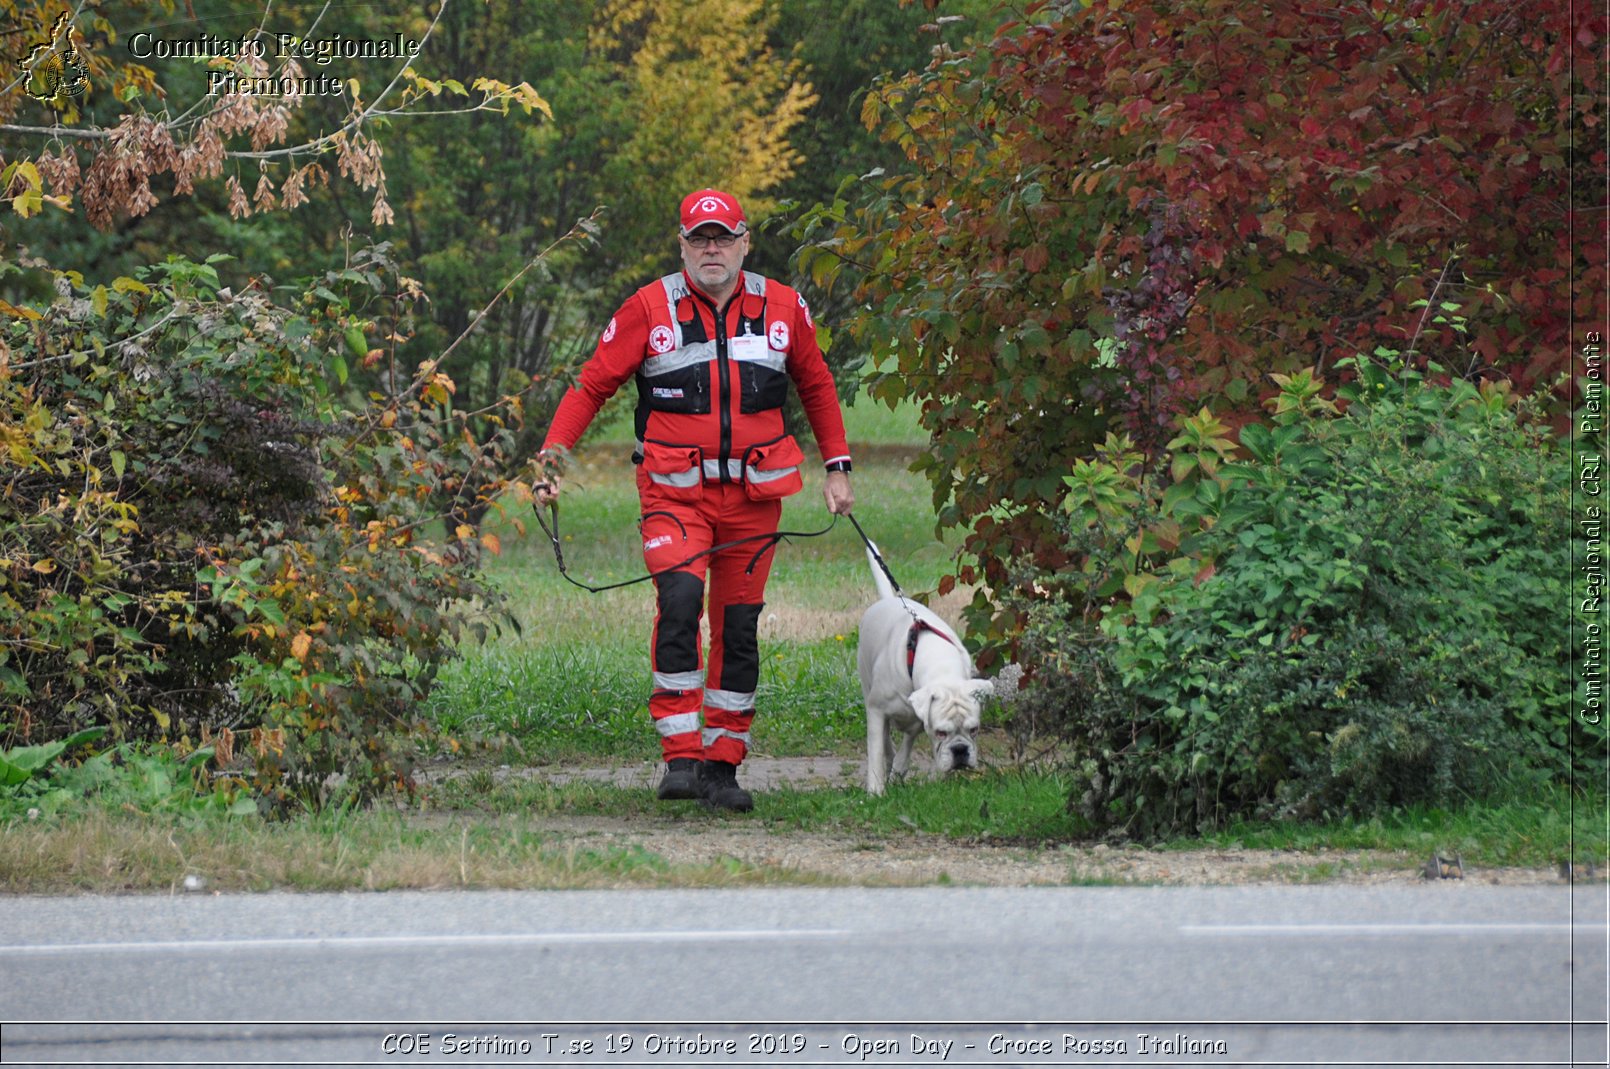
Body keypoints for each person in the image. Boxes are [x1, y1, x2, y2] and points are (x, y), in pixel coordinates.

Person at [535, 189, 854, 811]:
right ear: (682, 245)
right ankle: (679, 755)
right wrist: (553, 457)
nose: (712, 249)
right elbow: (591, 384)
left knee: (739, 627)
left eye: (723, 237)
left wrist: (837, 467)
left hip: (754, 498)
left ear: (744, 243)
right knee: (680, 602)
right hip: (673, 493)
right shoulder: (648, 307)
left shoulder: (785, 306)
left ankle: (721, 765)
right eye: (699, 239)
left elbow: (817, 384)